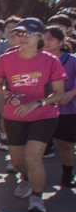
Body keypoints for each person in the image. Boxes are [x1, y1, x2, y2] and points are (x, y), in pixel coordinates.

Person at [0, 18, 66, 212]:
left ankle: (36, 197)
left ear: (39, 37)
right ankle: (26, 178)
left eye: (27, 34)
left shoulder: (51, 61)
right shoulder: (6, 59)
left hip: (43, 115)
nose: (22, 37)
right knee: (17, 160)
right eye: (19, 33)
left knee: (33, 156)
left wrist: (39, 102)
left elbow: (59, 93)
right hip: (15, 115)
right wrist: (7, 93)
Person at [43, 27, 76, 188]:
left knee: (65, 144)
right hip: (41, 108)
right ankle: (29, 178)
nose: (46, 42)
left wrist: (71, 93)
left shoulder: (71, 60)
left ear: (60, 41)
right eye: (44, 39)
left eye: (51, 39)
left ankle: (68, 173)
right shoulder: (37, 59)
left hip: (67, 109)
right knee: (35, 145)